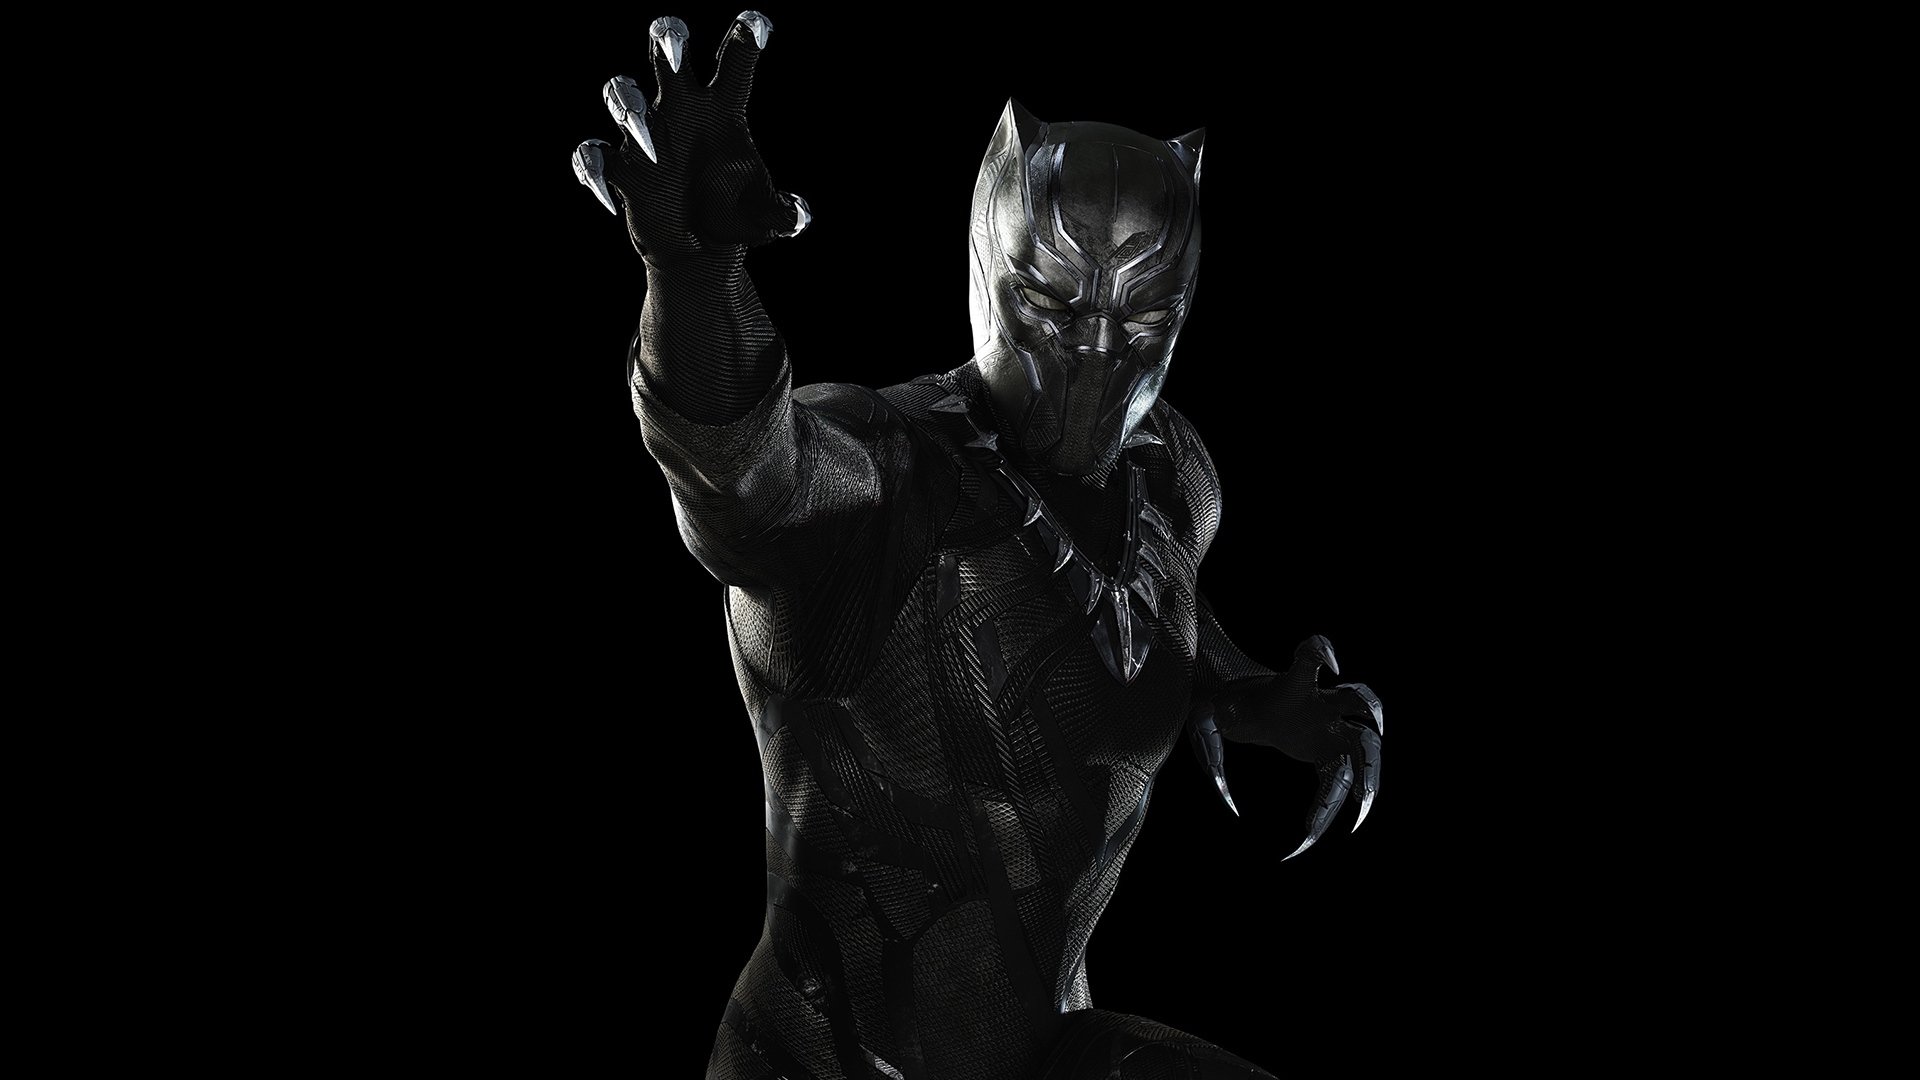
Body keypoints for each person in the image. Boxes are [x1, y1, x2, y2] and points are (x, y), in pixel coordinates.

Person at [571, 12, 1383, 1078]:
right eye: (1050, 302)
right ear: (984, 265)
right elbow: (743, 474)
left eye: (1143, 319)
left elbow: (1142, 608)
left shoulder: (1170, 476)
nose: (1096, 352)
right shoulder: (880, 478)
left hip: (1043, 1048)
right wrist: (694, 274)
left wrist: (1240, 692)